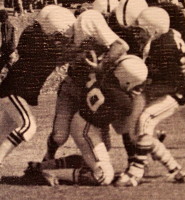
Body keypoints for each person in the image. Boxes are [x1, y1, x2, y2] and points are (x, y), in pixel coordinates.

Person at [114, 6, 185, 186]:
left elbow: (168, 83)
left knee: (147, 120)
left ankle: (136, 172)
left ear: (154, 30)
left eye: (141, 30)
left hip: (178, 91)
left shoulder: (164, 47)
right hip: (174, 87)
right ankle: (177, 169)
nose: (137, 34)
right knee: (144, 129)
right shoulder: (162, 37)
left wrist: (144, 88)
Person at [25, 54, 148, 186]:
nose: (139, 88)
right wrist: (137, 106)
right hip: (87, 129)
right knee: (104, 176)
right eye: (137, 85)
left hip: (85, 123)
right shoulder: (122, 100)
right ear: (128, 80)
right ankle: (51, 174)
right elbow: (120, 129)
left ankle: (43, 166)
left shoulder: (104, 78)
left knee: (96, 154)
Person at [42, 0, 128, 162]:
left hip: (92, 91)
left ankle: (64, 165)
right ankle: (48, 160)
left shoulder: (91, 22)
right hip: (73, 86)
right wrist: (76, 52)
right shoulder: (84, 22)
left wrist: (101, 66)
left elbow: (120, 46)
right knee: (59, 135)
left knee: (103, 146)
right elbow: (59, 60)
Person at [0, 6, 76, 166]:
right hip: (13, 92)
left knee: (2, 134)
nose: (64, 40)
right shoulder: (43, 46)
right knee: (28, 127)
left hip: (12, 92)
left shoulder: (34, 38)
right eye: (61, 36)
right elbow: (66, 54)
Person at [0, 10, 18, 84]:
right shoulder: (7, 24)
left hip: (9, 50)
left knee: (10, 67)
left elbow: (6, 39)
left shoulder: (6, 25)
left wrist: (2, 50)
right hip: (9, 49)